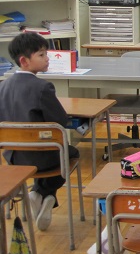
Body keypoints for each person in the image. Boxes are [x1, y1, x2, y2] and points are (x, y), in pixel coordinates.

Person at [0, 33, 80, 231]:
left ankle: (38, 193)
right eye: (42, 55)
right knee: (71, 153)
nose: (47, 59)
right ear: (24, 61)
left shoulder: (3, 86)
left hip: (14, 157)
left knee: (45, 151)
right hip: (44, 158)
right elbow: (60, 121)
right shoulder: (43, 87)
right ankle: (46, 194)